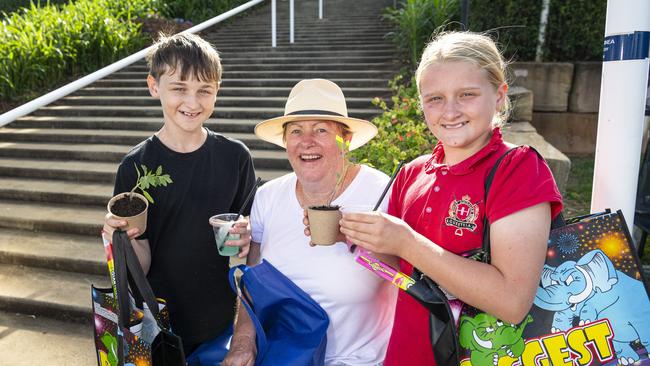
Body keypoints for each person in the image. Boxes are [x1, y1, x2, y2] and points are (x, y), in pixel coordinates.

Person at [339, 31, 563, 365]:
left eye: (467, 94)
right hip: (406, 354)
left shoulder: (518, 169)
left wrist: (406, 242)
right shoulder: (412, 174)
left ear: (500, 96)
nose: (450, 111)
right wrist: (357, 238)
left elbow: (512, 301)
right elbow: (405, 278)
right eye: (435, 98)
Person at [102, 33, 257, 355]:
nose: (192, 102)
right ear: (153, 86)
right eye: (179, 88)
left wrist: (245, 239)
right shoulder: (136, 167)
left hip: (221, 322)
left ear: (217, 92)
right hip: (158, 324)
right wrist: (122, 241)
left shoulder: (235, 158)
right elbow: (138, 264)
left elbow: (246, 252)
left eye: (204, 91)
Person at [223, 79, 397, 366]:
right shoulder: (267, 197)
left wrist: (354, 238)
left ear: (346, 139)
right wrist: (242, 342)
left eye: (321, 130)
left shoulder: (382, 192)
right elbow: (252, 284)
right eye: (296, 131)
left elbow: (403, 279)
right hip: (283, 355)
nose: (307, 142)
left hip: (360, 360)